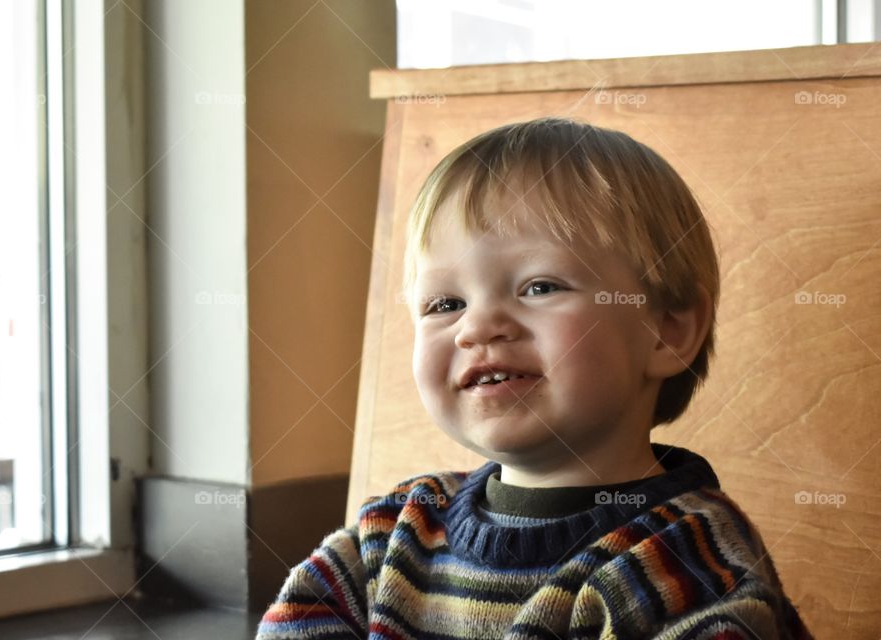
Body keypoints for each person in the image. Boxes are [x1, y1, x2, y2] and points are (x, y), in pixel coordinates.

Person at [255, 117, 814, 639]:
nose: (477, 327)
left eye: (540, 287)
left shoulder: (690, 563)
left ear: (667, 330)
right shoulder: (395, 530)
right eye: (445, 301)